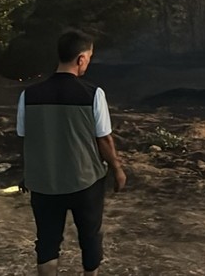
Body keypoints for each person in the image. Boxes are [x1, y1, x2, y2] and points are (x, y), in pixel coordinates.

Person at [18, 30, 126, 276]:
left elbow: (25, 138)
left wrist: (28, 173)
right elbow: (104, 139)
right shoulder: (92, 94)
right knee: (89, 236)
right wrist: (117, 169)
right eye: (89, 57)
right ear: (80, 59)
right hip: (84, 182)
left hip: (44, 184)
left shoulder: (28, 95)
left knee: (46, 242)